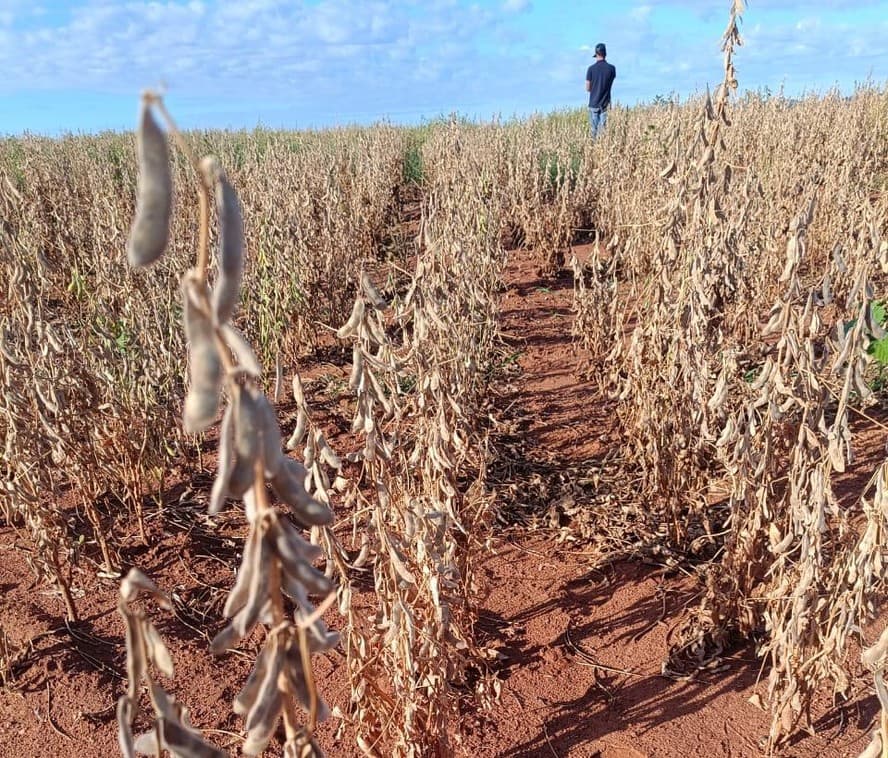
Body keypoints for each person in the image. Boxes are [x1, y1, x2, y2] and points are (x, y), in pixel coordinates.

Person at [585, 43, 616, 138]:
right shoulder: (612, 69)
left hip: (593, 103)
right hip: (606, 104)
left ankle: (593, 151)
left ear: (596, 54)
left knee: (593, 132)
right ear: (605, 54)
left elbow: (587, 88)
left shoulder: (590, 69)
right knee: (604, 133)